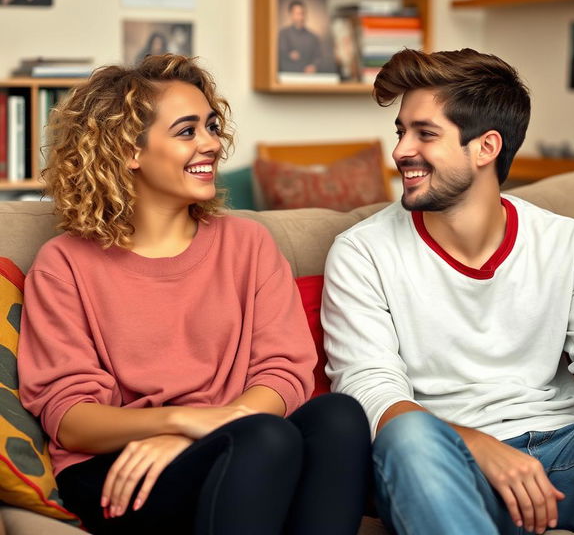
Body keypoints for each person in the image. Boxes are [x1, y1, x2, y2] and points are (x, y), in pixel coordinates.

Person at [17, 54, 371, 535]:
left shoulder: (248, 244)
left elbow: (284, 372)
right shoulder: (65, 264)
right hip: (120, 469)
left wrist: (212, 431)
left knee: (338, 416)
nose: (211, 144)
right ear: (128, 151)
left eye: (211, 125)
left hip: (243, 443)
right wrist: (183, 425)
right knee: (264, 437)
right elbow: (72, 418)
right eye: (187, 131)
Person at [321, 47, 574, 535]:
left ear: (486, 147)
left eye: (425, 133)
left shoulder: (564, 240)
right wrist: (476, 445)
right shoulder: (362, 253)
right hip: (441, 467)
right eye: (401, 131)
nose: (401, 150)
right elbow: (370, 392)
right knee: (407, 434)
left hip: (567, 462)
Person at [278, 0, 322, 74]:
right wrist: (289, 55)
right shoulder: (283, 34)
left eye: (303, 13)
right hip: (287, 77)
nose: (301, 17)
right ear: (291, 14)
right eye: (298, 14)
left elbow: (318, 56)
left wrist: (313, 66)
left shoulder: (313, 37)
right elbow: (281, 55)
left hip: (308, 78)